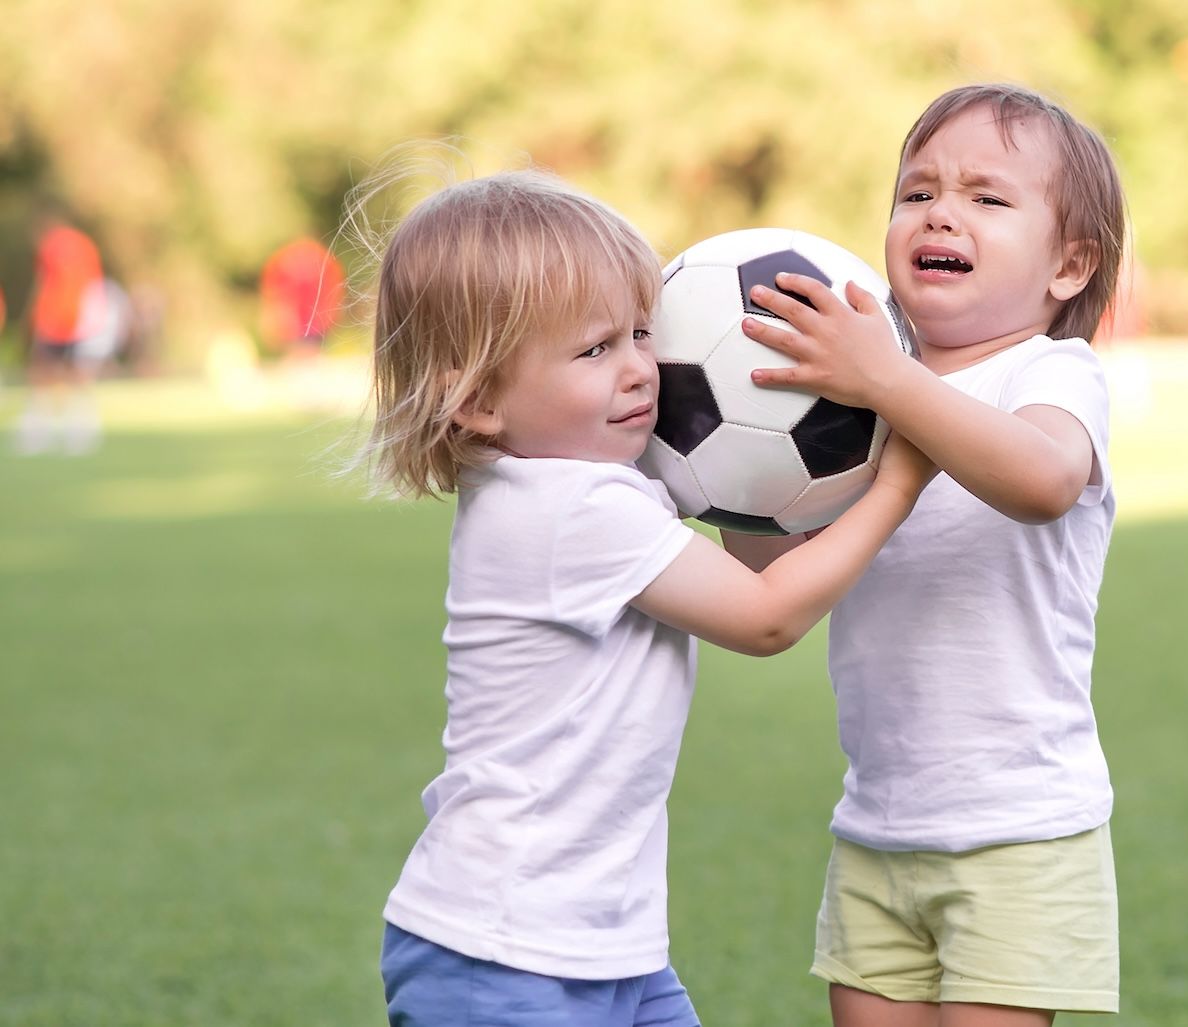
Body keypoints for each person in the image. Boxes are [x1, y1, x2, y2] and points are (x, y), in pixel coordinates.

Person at [357, 168, 937, 1027]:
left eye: (640, 332)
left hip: (603, 945)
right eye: (595, 350)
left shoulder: (580, 481)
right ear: (476, 398)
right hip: (505, 953)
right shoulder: (571, 508)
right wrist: (898, 480)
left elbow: (751, 553)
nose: (641, 370)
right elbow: (765, 614)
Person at [731, 83, 1128, 1025]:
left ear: (1069, 264)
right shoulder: (853, 398)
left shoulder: (1049, 371)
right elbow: (762, 565)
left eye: (988, 199)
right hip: (878, 824)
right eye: (918, 193)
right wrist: (717, 466)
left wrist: (888, 379)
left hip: (1020, 830)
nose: (941, 211)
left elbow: (1041, 481)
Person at [16, 218, 104, 454]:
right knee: (78, 376)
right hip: (80, 320)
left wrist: (32, 318)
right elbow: (94, 285)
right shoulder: (86, 244)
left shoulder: (50, 245)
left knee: (43, 376)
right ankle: (80, 431)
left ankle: (37, 432)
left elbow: (44, 283)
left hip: (54, 319)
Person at [260, 235, 345, 359]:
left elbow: (274, 294)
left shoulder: (283, 261)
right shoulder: (321, 259)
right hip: (311, 323)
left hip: (306, 324)